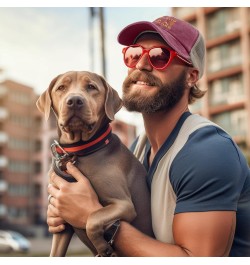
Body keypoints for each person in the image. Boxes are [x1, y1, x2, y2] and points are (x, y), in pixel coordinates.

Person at [47, 16, 250, 257]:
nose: (142, 64)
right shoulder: (136, 149)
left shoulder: (207, 151)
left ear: (191, 76)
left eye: (159, 56)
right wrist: (67, 211)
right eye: (134, 54)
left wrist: (93, 216)